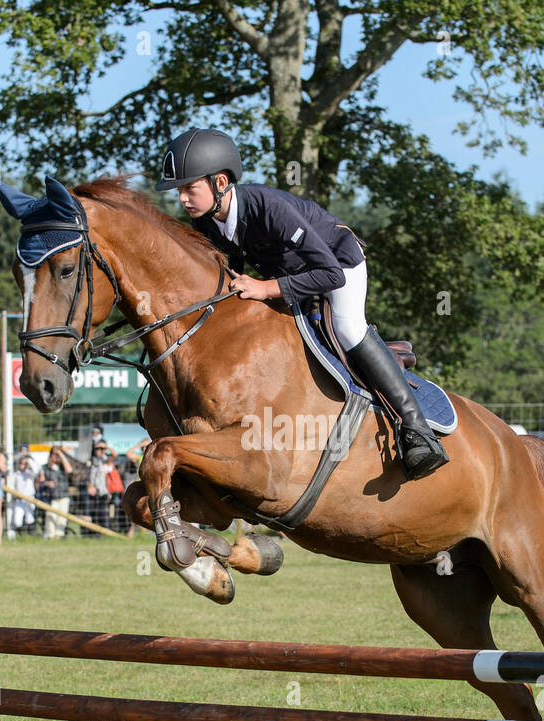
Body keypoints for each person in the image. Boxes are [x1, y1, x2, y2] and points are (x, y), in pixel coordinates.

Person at [155, 127, 448, 481]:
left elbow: (330, 275)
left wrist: (264, 288)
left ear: (219, 182)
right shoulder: (207, 222)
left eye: (190, 188)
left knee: (347, 327)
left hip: (338, 263)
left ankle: (418, 430)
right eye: (180, 191)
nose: (183, 198)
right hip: (289, 277)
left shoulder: (269, 209)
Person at [38, 447, 75, 540]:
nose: (55, 456)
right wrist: (47, 483)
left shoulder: (62, 467)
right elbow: (40, 481)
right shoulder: (45, 468)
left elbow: (70, 470)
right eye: (54, 454)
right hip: (51, 497)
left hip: (63, 496)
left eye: (57, 454)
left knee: (62, 518)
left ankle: (59, 536)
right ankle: (50, 536)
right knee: (50, 517)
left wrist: (61, 455)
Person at [9, 454, 38, 534]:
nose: (23, 465)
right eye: (21, 463)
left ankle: (30, 535)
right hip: (19, 500)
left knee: (30, 518)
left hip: (29, 499)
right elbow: (11, 486)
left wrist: (28, 460)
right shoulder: (16, 475)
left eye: (25, 464)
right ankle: (21, 534)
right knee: (17, 520)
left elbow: (36, 470)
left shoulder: (29, 474)